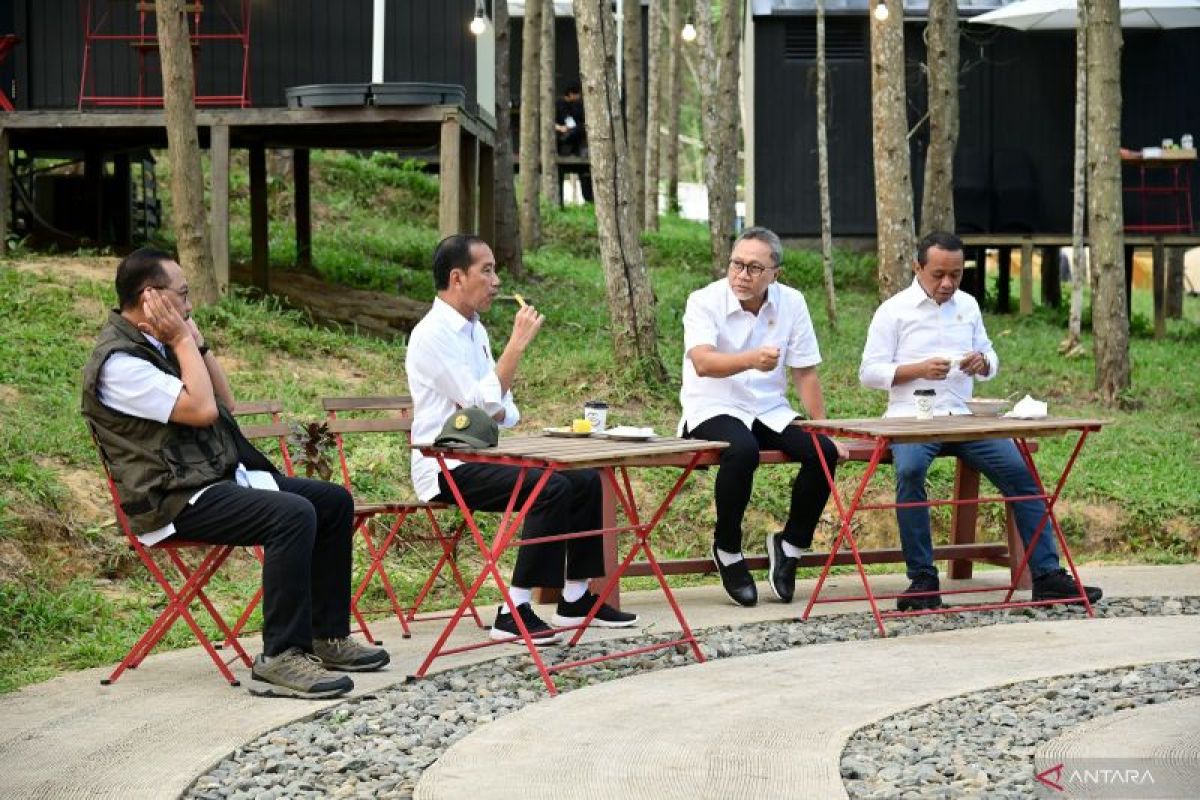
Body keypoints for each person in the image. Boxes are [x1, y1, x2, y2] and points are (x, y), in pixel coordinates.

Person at [81, 248, 388, 699]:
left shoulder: (157, 344)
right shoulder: (120, 364)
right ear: (151, 297)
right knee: (292, 514)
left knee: (332, 501)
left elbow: (225, 404)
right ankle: (281, 657)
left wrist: (196, 345)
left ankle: (325, 636)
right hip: (173, 498)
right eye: (182, 296)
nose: (189, 307)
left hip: (211, 479)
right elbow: (203, 412)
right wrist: (183, 341)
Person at [406, 234, 636, 644]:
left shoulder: (473, 330)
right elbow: (481, 404)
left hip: (486, 454)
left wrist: (495, 394)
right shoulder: (432, 335)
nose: (496, 281)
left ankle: (576, 597)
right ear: (457, 278)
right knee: (549, 487)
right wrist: (516, 345)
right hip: (445, 466)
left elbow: (502, 410)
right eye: (487, 271)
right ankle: (513, 609)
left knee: (584, 478)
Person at [859, 231, 1103, 611]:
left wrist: (983, 363)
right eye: (938, 274)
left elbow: (990, 357)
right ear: (917, 267)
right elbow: (869, 373)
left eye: (955, 274)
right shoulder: (893, 310)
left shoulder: (967, 306)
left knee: (1023, 476)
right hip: (913, 418)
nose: (947, 283)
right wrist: (918, 369)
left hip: (965, 417)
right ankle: (922, 579)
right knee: (908, 474)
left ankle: (1047, 576)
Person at [679, 227, 847, 607]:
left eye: (755, 268)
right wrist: (751, 359)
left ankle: (790, 547)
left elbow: (805, 372)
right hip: (713, 405)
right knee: (743, 449)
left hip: (769, 410)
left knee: (823, 452)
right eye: (736, 264)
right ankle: (727, 549)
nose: (742, 275)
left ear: (775, 274)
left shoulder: (792, 302)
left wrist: (824, 428)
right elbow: (703, 363)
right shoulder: (704, 300)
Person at [554, 79, 593, 203]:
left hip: (573, 135)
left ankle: (589, 199)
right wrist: (560, 128)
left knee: (578, 129)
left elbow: (581, 122)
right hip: (560, 135)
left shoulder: (577, 106)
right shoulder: (558, 104)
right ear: (571, 94)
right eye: (577, 94)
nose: (578, 97)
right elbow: (550, 121)